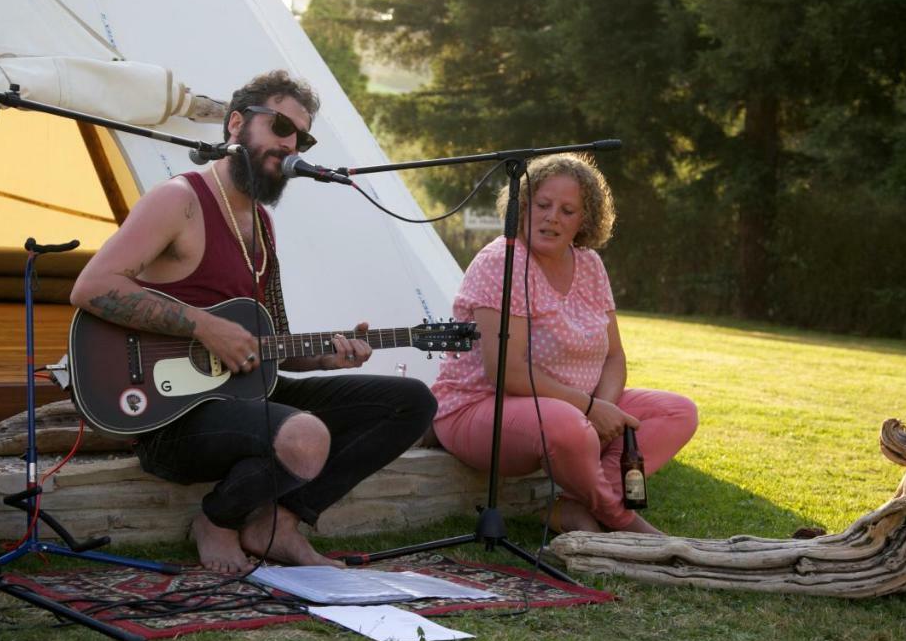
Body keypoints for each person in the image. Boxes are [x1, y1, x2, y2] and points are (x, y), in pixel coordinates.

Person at [70, 70, 436, 573]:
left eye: (301, 137)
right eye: (280, 126)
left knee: (410, 403)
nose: (290, 144)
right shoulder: (180, 200)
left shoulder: (262, 225)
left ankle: (278, 523)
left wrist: (328, 357)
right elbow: (92, 286)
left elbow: (272, 343)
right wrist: (203, 326)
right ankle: (217, 520)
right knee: (304, 436)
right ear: (237, 123)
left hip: (246, 395)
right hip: (172, 418)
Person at [430, 153, 697, 534]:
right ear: (523, 206)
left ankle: (571, 507)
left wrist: (600, 407)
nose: (552, 216)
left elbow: (614, 356)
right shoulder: (501, 261)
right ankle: (622, 520)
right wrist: (588, 409)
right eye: (542, 204)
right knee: (569, 425)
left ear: (584, 221)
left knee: (678, 412)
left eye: (567, 210)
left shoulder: (589, 263)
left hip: (574, 407)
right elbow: (508, 372)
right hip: (479, 406)